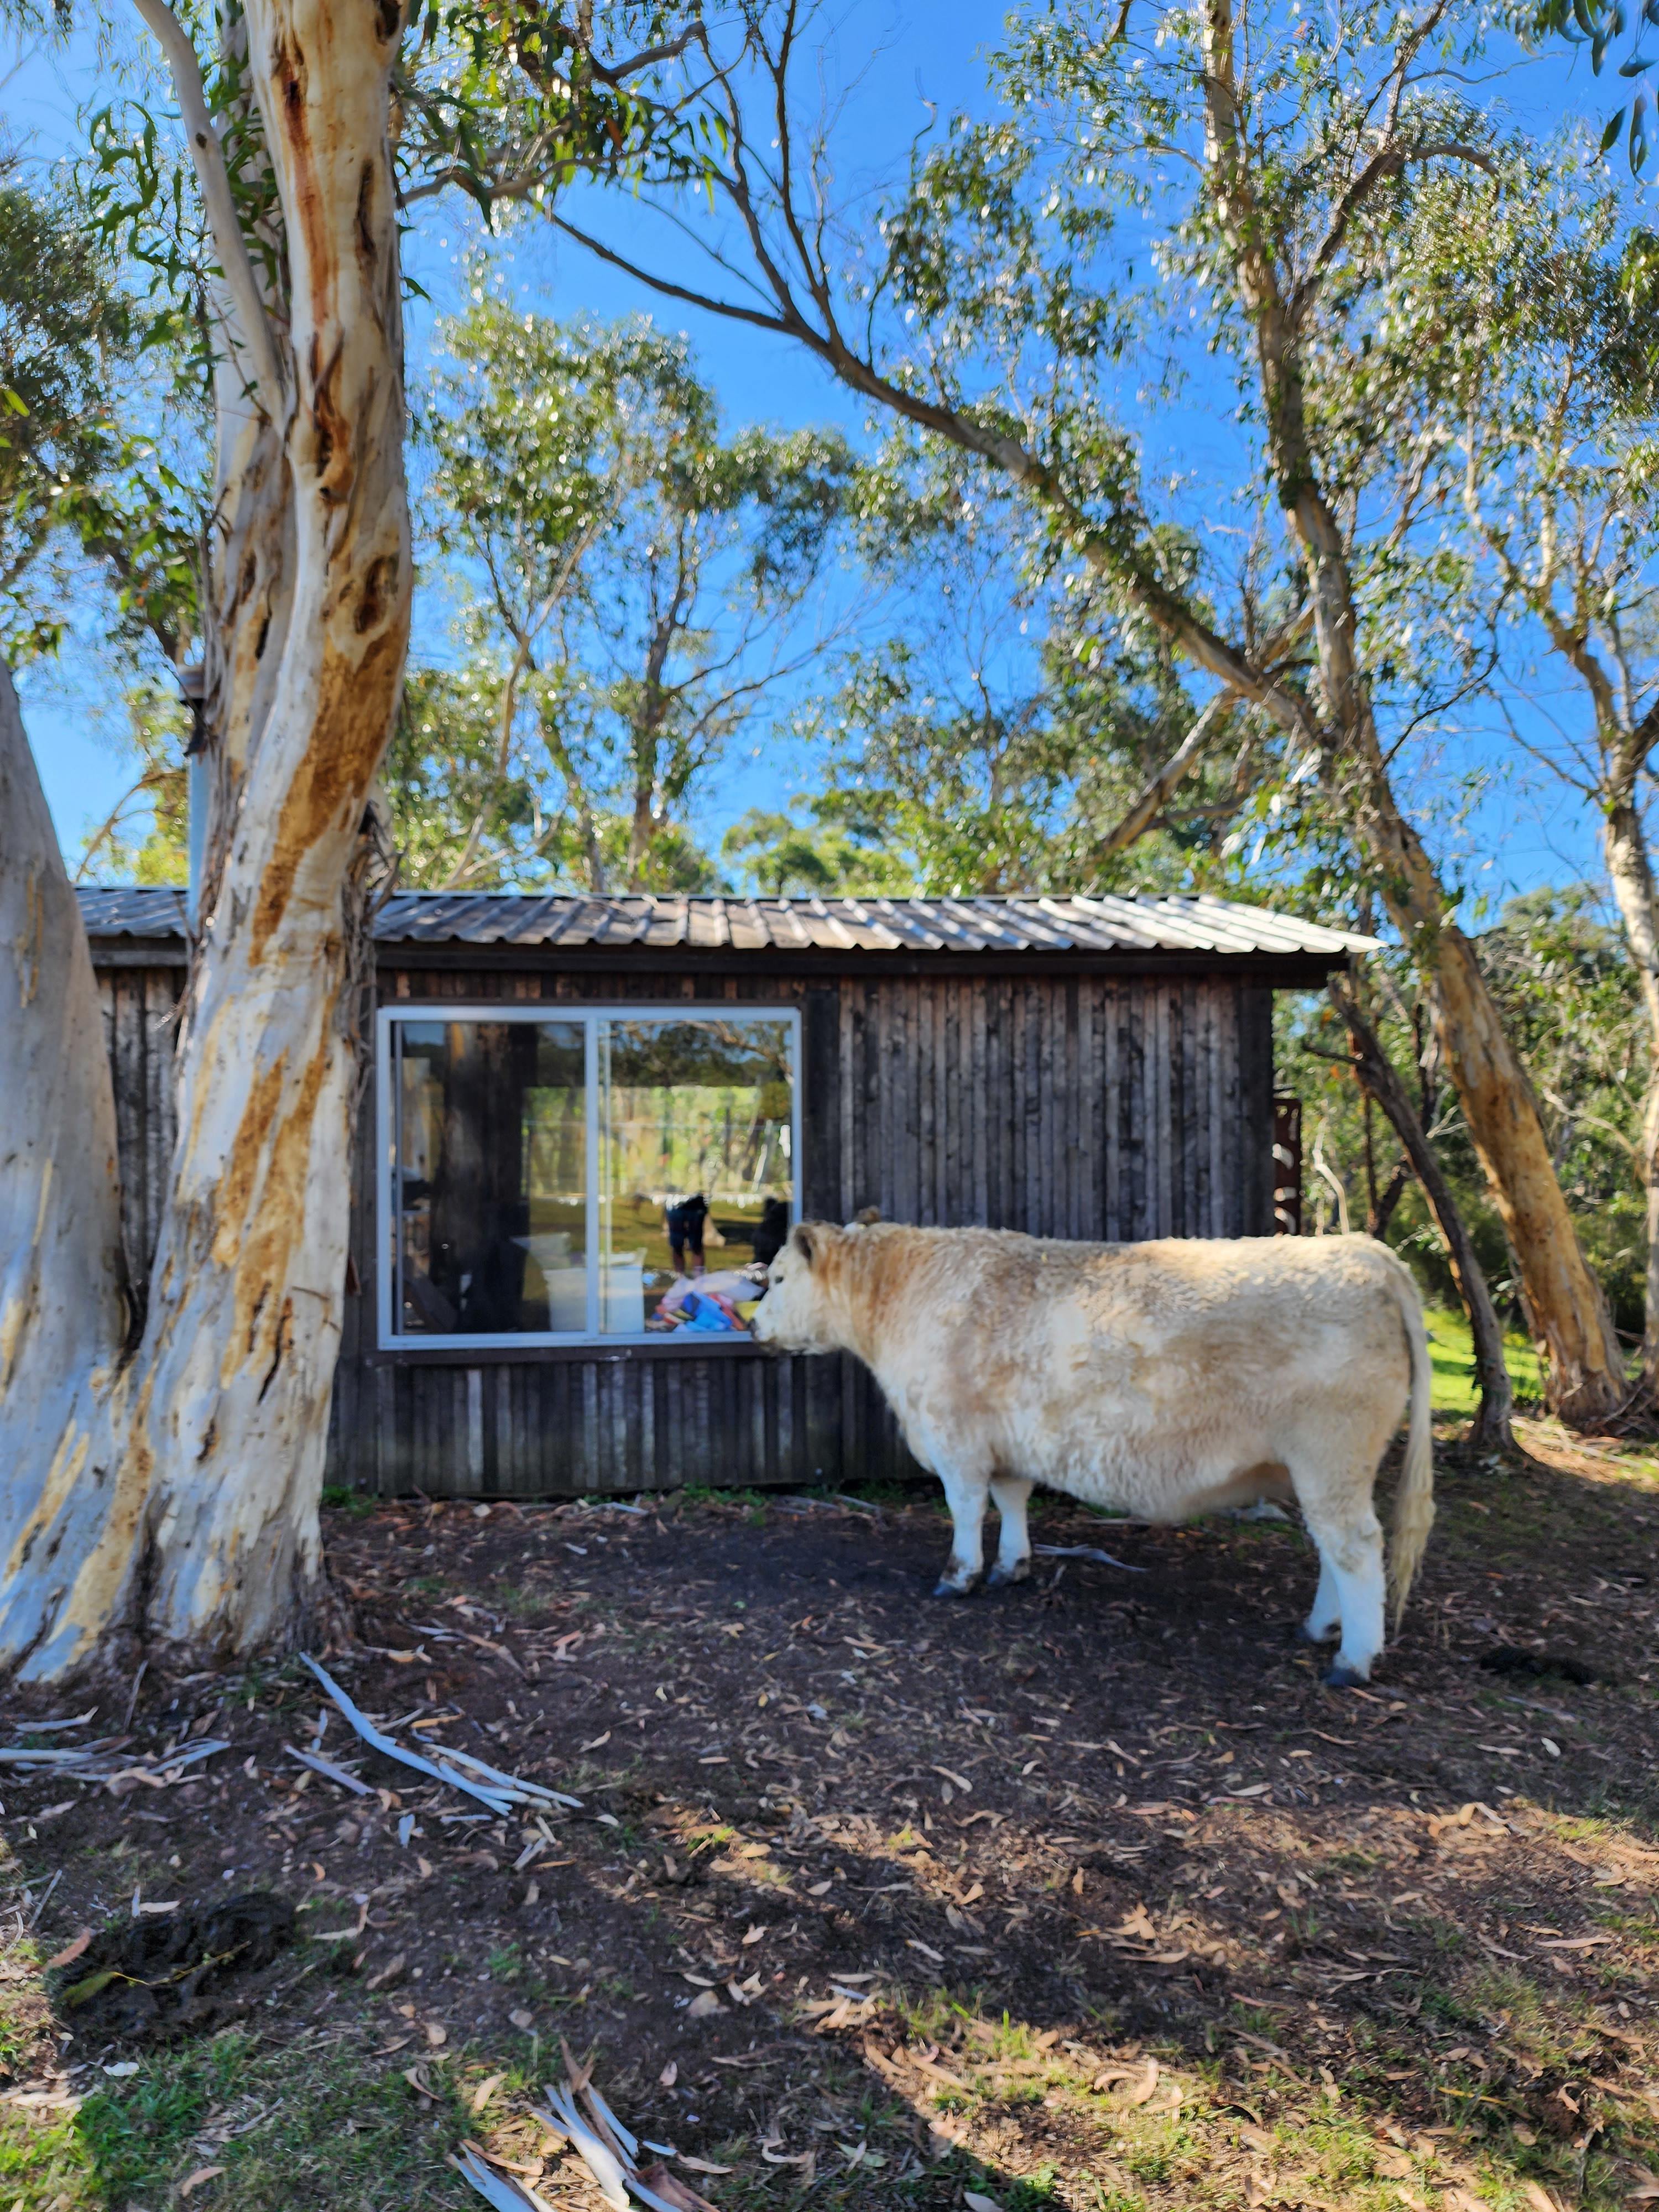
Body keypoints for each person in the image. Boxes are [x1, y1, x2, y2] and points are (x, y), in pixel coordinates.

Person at [665, 1192, 709, 1275]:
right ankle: (680, 1279)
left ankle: (698, 1280)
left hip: (697, 1202)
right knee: (677, 1245)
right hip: (674, 1200)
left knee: (696, 1245)